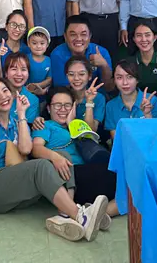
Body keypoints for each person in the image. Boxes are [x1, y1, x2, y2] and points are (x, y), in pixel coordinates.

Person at [0, 79, 108, 243]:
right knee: (41, 165)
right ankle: (81, 216)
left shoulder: (16, 123)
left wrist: (22, 114)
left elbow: (25, 150)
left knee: (62, 156)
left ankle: (65, 215)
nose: (3, 96)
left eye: (5, 91)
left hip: (14, 189)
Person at [33, 86, 120, 223]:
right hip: (67, 176)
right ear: (49, 108)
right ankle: (88, 215)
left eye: (67, 105)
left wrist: (71, 123)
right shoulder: (46, 125)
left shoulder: (78, 125)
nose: (62, 109)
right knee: (119, 175)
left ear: (73, 106)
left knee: (128, 181)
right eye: (57, 105)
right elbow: (36, 148)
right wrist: (55, 157)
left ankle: (97, 217)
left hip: (87, 172)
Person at [50, 15, 113, 90]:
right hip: (70, 98)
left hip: (98, 97)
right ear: (65, 37)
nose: (79, 39)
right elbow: (61, 89)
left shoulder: (101, 52)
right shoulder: (57, 54)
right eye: (73, 35)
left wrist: (104, 65)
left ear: (90, 36)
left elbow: (108, 88)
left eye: (83, 34)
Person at [105, 59, 157, 140]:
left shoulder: (153, 101)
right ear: (114, 80)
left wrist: (148, 114)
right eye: (119, 77)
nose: (125, 82)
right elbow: (117, 140)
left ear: (137, 79)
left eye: (130, 77)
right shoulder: (110, 106)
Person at [129, 20, 157, 97]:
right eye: (139, 35)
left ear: (155, 37)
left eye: (147, 35)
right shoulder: (129, 62)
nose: (143, 39)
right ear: (134, 39)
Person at [0, 10, 29, 79]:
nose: (17, 29)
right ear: (6, 27)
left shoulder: (27, 50)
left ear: (25, 30)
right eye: (13, 24)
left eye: (21, 26)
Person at [4, 52, 39, 124]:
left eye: (23, 69)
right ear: (6, 73)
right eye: (14, 69)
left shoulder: (33, 100)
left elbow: (28, 127)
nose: (19, 74)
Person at [25, 26, 53, 99]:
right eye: (34, 43)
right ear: (28, 44)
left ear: (47, 45)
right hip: (26, 95)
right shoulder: (25, 59)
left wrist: (38, 86)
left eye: (42, 43)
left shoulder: (49, 60)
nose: (38, 46)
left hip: (42, 97)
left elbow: (49, 78)